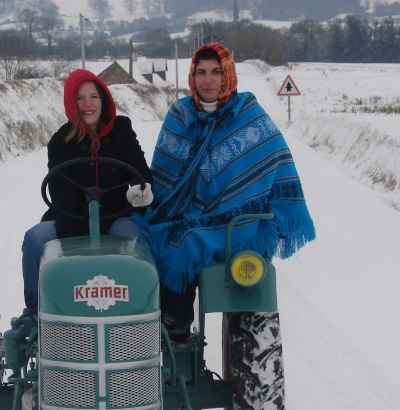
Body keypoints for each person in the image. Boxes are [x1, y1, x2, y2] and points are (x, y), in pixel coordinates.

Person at [131, 43, 316, 340]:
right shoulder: (179, 115)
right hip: (186, 213)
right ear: (192, 76)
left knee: (190, 240)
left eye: (216, 72)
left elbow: (277, 160)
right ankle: (172, 327)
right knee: (168, 237)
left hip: (236, 221)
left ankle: (189, 328)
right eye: (201, 72)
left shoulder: (250, 114)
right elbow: (164, 177)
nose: (208, 80)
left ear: (227, 74)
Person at [22, 69, 154, 315]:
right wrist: (79, 251)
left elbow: (140, 171)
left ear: (103, 100)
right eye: (80, 98)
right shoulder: (60, 142)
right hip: (70, 219)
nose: (88, 104)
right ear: (72, 103)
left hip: (116, 216)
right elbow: (61, 195)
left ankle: (146, 308)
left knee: (136, 236)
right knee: (35, 238)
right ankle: (35, 313)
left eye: (94, 96)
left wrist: (141, 190)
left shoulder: (121, 131)